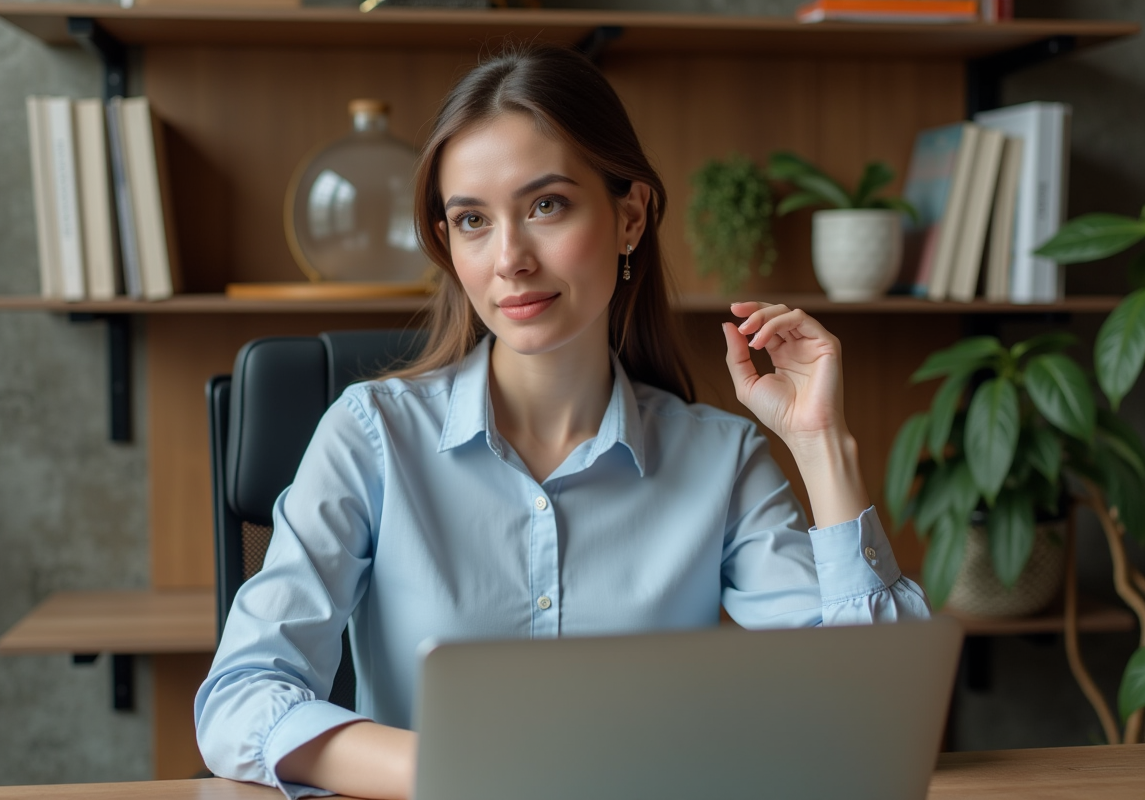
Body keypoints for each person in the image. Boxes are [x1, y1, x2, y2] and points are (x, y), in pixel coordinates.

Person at [195, 43, 929, 800]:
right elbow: (241, 702)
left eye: (546, 205)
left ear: (630, 216)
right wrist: (454, 770)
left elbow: (878, 722)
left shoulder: (722, 459)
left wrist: (820, 447)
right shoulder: (371, 436)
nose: (510, 258)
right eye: (473, 220)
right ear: (450, 247)